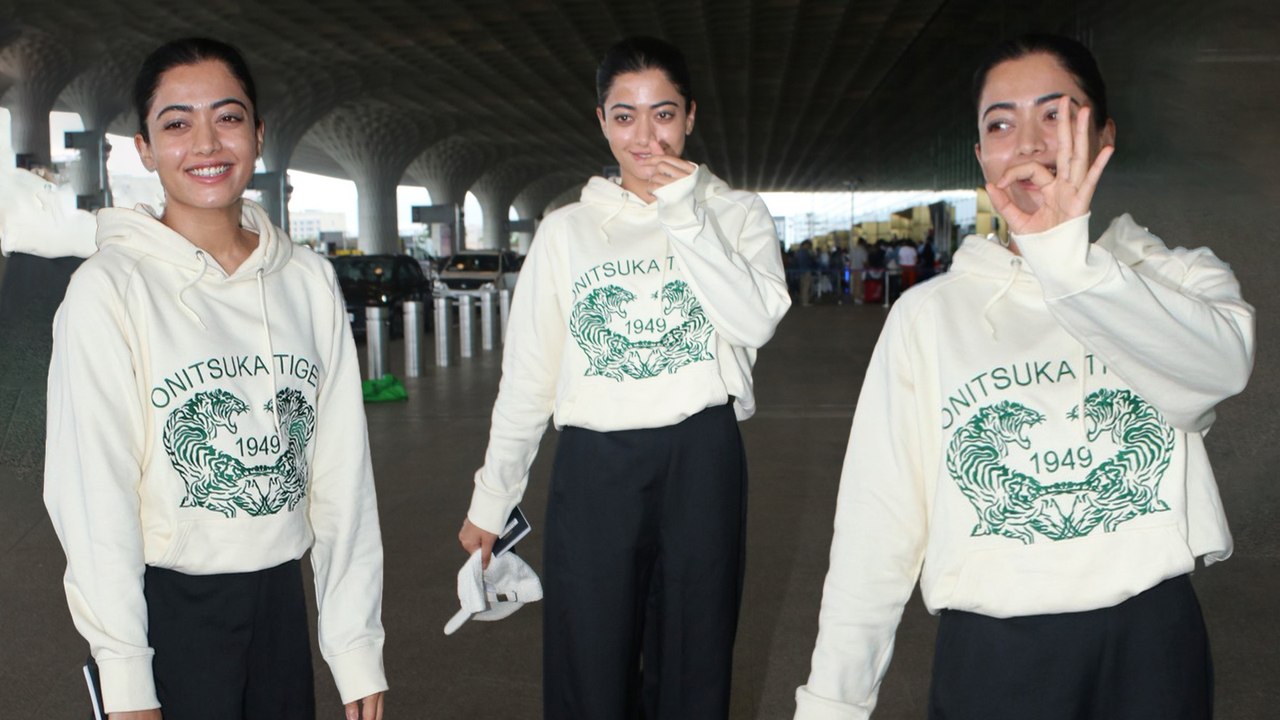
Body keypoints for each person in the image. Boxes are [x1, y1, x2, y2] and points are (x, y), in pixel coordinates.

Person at [795, 33, 1254, 720]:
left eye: (1056, 114)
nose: (1029, 142)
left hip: (1152, 646)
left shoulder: (1177, 278)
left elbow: (1218, 371)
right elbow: (876, 525)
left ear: (1103, 135)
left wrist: (1067, 263)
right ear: (982, 157)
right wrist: (834, 701)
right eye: (1000, 124)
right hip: (995, 661)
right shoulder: (929, 317)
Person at [43, 38, 387, 720]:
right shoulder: (109, 289)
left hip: (280, 607)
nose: (206, 142)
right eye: (176, 123)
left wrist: (354, 647)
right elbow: (92, 498)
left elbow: (343, 480)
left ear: (258, 134)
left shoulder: (307, 279)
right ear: (142, 147)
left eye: (228, 117)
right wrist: (125, 678)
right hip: (170, 614)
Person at [457, 35, 790, 720]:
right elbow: (528, 376)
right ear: (602, 121)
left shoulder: (736, 215)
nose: (646, 137)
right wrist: (492, 498)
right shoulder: (566, 232)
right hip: (596, 462)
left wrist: (685, 217)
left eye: (663, 114)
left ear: (690, 116)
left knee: (695, 663)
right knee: (589, 663)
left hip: (703, 453)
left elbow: (753, 322)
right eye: (625, 116)